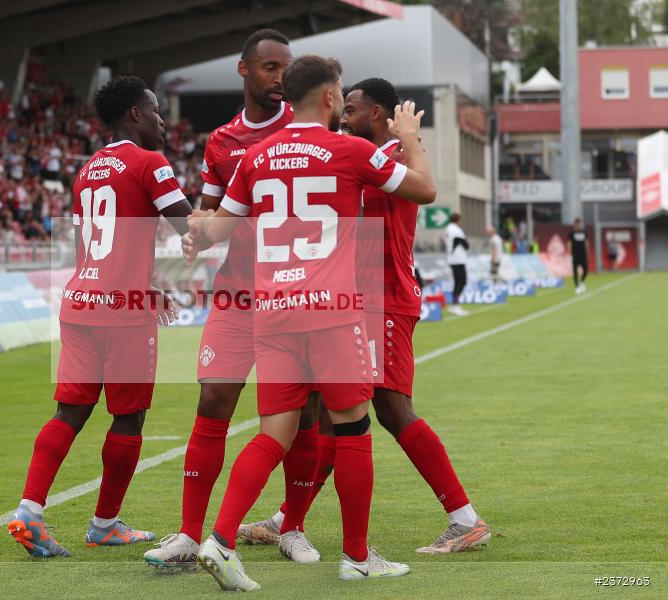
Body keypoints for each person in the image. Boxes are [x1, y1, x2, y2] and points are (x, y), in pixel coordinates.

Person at [184, 56, 436, 591]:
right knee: (353, 429)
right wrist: (410, 138)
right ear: (327, 97)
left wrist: (195, 229)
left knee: (273, 434)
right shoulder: (350, 150)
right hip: (331, 311)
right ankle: (357, 557)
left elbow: (218, 230)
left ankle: (220, 541)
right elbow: (424, 189)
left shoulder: (255, 156)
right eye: (340, 93)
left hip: (272, 311)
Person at [247, 77, 491, 557]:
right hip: (350, 303)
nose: (344, 117)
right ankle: (287, 519)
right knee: (336, 412)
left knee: (390, 407)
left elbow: (425, 188)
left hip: (384, 300)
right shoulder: (354, 156)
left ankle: (464, 518)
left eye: (353, 110)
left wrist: (410, 139)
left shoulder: (393, 157)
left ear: (376, 114)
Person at [144, 29, 326, 570]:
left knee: (303, 413)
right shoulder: (222, 140)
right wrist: (195, 234)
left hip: (296, 294)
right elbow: (209, 211)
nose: (280, 77)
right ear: (244, 70)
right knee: (213, 401)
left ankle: (293, 528)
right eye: (270, 67)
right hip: (238, 293)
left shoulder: (307, 128)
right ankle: (188, 534)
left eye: (286, 67)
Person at [7, 76, 193, 558]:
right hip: (124, 312)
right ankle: (105, 524)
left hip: (80, 301)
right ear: (135, 113)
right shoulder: (150, 162)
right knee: (129, 416)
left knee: (69, 411)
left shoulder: (86, 171)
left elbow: (86, 248)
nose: (163, 122)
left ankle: (29, 509)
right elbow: (187, 225)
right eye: (156, 111)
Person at [444, 213, 469, 316]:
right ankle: (455, 305)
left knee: (458, 282)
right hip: (458, 259)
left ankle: (455, 304)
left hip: (453, 258)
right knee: (461, 282)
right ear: (458, 220)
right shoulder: (455, 229)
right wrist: (466, 245)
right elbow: (460, 240)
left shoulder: (448, 229)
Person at [568, 218, 590, 293]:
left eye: (579, 224)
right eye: (576, 224)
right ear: (574, 225)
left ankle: (582, 281)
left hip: (583, 254)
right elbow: (569, 243)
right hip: (575, 255)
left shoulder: (583, 233)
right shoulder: (571, 234)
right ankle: (577, 286)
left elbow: (586, 242)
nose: (578, 226)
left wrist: (587, 252)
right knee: (575, 270)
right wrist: (569, 252)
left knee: (586, 270)